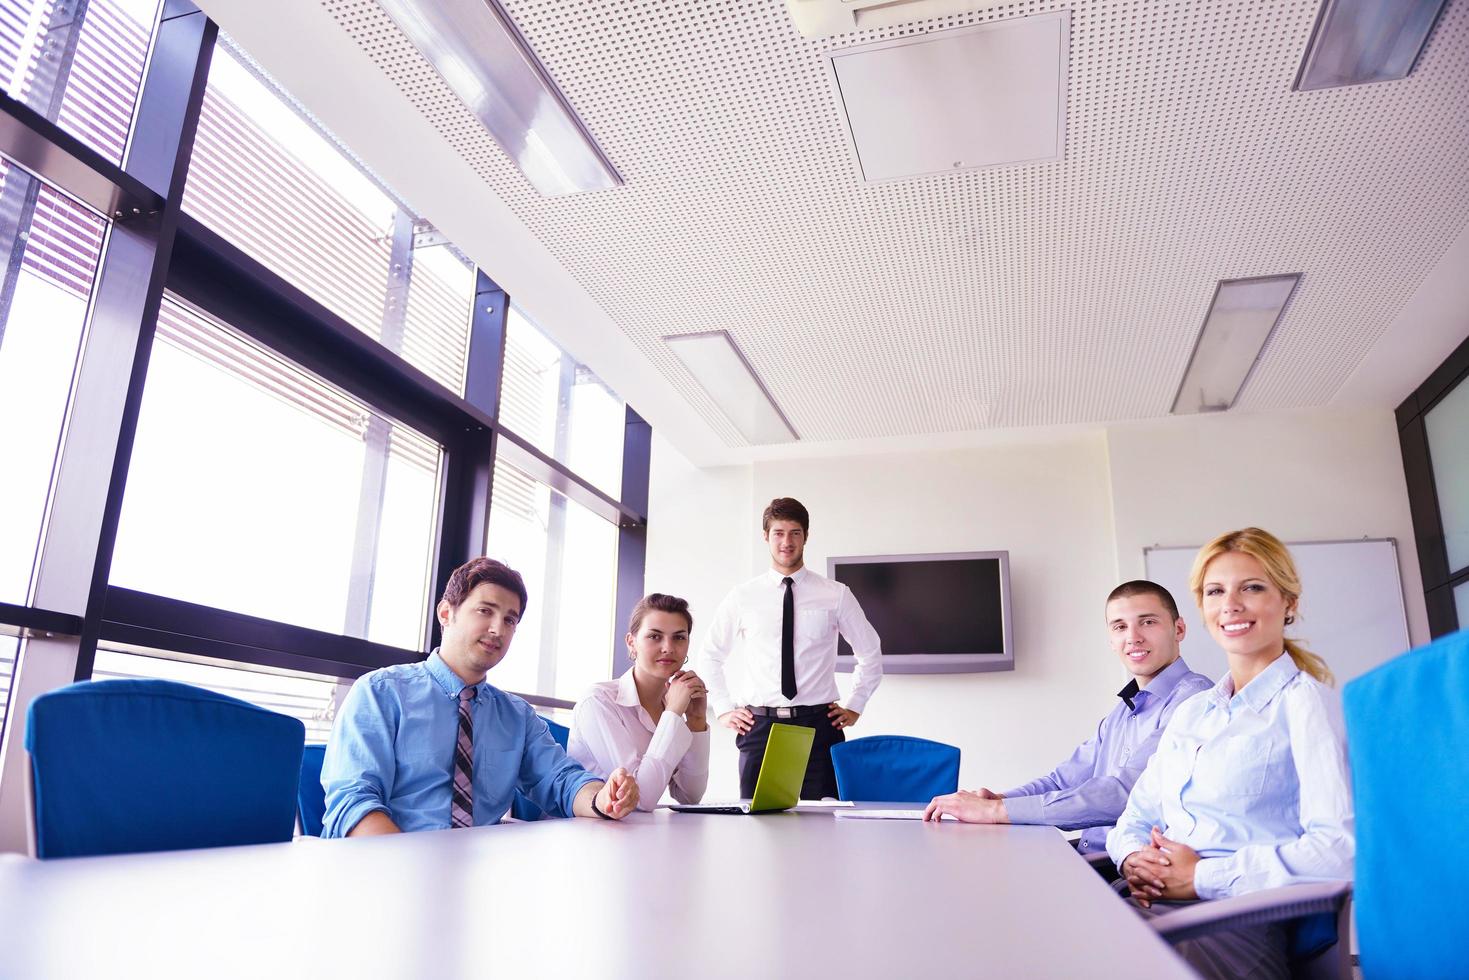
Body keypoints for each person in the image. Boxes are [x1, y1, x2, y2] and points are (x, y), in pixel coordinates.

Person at [1106, 528, 1354, 980]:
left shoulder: (1306, 705)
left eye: (1252, 588)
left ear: (1289, 603)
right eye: (1216, 591)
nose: (1231, 605)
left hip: (1231, 924)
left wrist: (1200, 877)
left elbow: (1339, 852)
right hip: (1151, 903)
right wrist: (1131, 859)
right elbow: (1134, 817)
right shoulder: (1194, 712)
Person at [320, 557, 638, 836]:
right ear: (446, 613)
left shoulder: (516, 716)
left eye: (510, 619)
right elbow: (354, 804)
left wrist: (604, 798)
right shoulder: (380, 692)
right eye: (485, 611)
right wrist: (406, 868)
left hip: (481, 875)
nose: (498, 629)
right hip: (385, 871)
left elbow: (561, 781)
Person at [923, 581, 1211, 853]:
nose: (1133, 637)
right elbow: (1062, 780)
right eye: (1120, 627)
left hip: (1128, 870)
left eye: (1148, 622)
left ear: (1179, 629)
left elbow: (1124, 794)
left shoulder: (1193, 700)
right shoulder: (1124, 710)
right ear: (1111, 640)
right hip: (1089, 854)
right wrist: (1000, 799)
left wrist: (996, 813)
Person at [699, 496, 882, 800]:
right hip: (759, 727)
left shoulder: (836, 595)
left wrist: (855, 706)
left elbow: (870, 653)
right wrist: (722, 709)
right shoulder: (743, 596)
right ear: (766, 537)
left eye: (795, 533)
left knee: (821, 826)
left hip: (818, 727)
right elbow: (710, 655)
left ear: (805, 536)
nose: (787, 541)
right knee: (759, 824)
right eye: (779, 533)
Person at [568, 593, 710, 810]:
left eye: (679, 637)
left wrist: (696, 720)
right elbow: (640, 800)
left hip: (635, 833)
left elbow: (690, 796)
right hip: (585, 831)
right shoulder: (598, 701)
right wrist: (672, 714)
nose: (668, 648)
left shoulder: (672, 701)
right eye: (655, 636)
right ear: (631, 642)